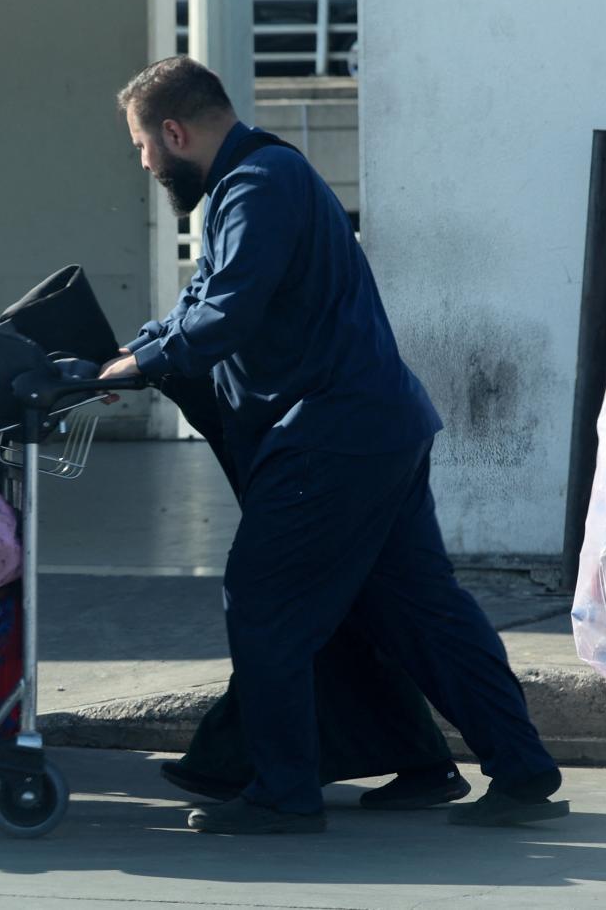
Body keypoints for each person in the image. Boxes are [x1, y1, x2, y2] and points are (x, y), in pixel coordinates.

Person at [99, 56, 565, 834]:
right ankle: (513, 768)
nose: (145, 162)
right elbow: (203, 300)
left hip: (332, 439)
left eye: (143, 147)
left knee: (265, 601)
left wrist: (145, 362)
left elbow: (228, 312)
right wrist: (131, 352)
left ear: (174, 132)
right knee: (420, 612)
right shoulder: (260, 179)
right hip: (377, 429)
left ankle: (284, 795)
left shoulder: (256, 187)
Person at [155, 374, 470, 811]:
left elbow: (218, 318)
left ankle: (266, 780)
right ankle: (428, 762)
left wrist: (154, 355)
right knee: (340, 618)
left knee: (282, 616)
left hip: (326, 442)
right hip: (329, 436)